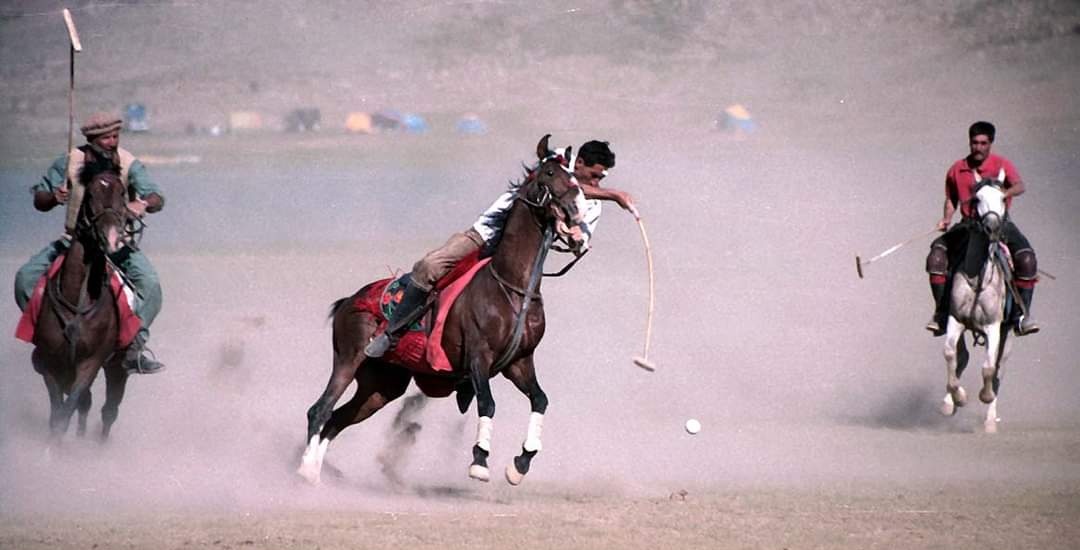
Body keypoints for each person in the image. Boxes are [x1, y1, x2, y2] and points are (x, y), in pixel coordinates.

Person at [364, 139, 636, 358]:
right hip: (484, 236)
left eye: (602, 179)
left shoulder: (595, 202)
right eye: (594, 175)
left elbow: (581, 238)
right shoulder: (555, 162)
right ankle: (392, 333)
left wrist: (577, 239)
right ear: (579, 163)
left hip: (518, 256)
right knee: (429, 267)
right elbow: (552, 182)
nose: (597, 183)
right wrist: (614, 194)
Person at [14, 112, 168, 373]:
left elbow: (156, 196)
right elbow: (39, 200)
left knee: (151, 285)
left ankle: (134, 347)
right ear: (92, 139)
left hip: (117, 245)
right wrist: (54, 196)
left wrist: (142, 203)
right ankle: (47, 340)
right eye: (106, 137)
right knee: (24, 279)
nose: (112, 141)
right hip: (74, 242)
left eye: (115, 136)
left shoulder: (129, 163)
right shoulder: (69, 161)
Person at [925, 121, 1039, 336]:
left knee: (1027, 260)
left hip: (999, 223)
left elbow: (1020, 185)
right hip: (968, 225)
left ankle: (1022, 316)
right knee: (936, 258)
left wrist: (1003, 195)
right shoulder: (957, 169)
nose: (978, 147)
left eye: (983, 143)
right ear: (969, 142)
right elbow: (951, 200)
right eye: (974, 143)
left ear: (990, 143)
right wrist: (946, 219)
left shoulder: (1001, 164)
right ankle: (940, 313)